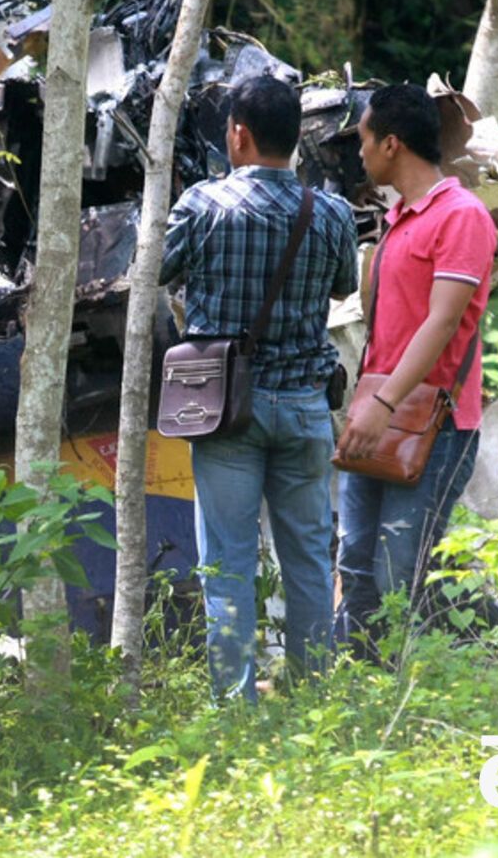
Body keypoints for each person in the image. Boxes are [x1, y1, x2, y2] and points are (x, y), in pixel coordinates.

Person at [160, 75, 358, 703]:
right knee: (307, 559)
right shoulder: (330, 212)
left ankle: (235, 709)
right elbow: (343, 288)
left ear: (238, 134)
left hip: (225, 412)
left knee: (227, 566)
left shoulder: (200, 205)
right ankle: (316, 697)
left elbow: (155, 270)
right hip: (304, 406)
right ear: (297, 137)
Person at [334, 84, 498, 658]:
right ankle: (354, 693)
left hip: (435, 424)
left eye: (364, 141)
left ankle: (495, 650)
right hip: (377, 413)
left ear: (392, 144)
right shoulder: (397, 219)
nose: (360, 153)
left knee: (397, 572)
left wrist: (380, 406)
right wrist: (367, 403)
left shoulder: (461, 216)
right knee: (354, 564)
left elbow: (443, 322)